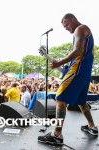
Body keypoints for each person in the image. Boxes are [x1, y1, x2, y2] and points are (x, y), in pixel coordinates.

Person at [38, 13, 98, 145]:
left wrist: (59, 63)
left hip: (78, 71)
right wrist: (61, 64)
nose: (66, 28)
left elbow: (77, 51)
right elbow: (80, 53)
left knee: (60, 98)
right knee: (82, 102)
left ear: (73, 19)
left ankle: (56, 135)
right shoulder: (83, 32)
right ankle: (93, 127)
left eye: (67, 25)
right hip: (85, 73)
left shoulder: (80, 29)